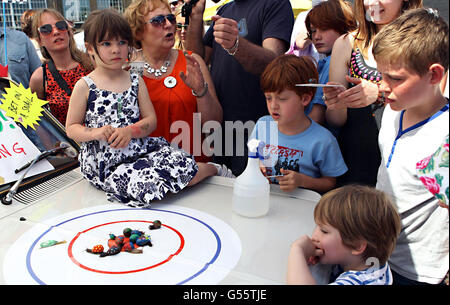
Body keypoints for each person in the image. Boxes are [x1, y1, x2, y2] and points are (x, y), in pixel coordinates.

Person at [65, 9, 219, 208]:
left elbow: (150, 121)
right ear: (90, 48)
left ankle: (215, 168)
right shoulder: (85, 85)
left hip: (139, 152)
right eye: (106, 43)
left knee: (180, 162)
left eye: (122, 42)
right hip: (105, 165)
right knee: (145, 186)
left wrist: (129, 131)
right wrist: (96, 132)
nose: (116, 49)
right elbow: (71, 128)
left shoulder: (135, 80)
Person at [373, 8, 449, 285]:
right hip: (378, 254)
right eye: (381, 75)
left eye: (394, 78)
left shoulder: (445, 135)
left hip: (418, 271)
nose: (382, 87)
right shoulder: (395, 109)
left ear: (433, 74)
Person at [185, 0, 294, 176]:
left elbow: (274, 62)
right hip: (218, 126)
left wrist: (236, 44)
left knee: (247, 192)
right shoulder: (225, 9)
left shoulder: (275, 3)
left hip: (253, 129)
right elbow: (197, 60)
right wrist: (196, 17)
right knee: (217, 192)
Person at [322, 0, 423, 187]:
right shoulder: (346, 43)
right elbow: (336, 120)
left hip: (407, 161)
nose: (373, 3)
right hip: (357, 161)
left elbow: (434, 102)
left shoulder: (423, 42)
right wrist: (337, 102)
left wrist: (379, 94)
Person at [124, 0, 225, 168]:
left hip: (195, 172)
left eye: (170, 18)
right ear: (138, 31)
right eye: (158, 21)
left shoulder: (192, 61)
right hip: (148, 175)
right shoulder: (131, 68)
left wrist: (201, 91)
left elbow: (213, 126)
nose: (169, 24)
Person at [252, 55, 347, 194]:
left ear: (305, 98)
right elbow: (252, 159)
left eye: (282, 99)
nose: (273, 106)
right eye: (268, 98)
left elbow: (330, 183)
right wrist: (257, 168)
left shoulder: (323, 140)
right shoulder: (262, 125)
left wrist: (301, 180)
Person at [287, 184, 401, 285]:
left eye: (324, 231)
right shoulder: (370, 262)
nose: (314, 235)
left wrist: (297, 251)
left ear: (357, 245)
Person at [29, 8, 93, 126]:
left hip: (103, 139)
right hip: (70, 143)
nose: (56, 32)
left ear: (68, 32)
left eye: (60, 25)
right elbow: (38, 123)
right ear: (39, 40)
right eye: (46, 29)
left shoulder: (92, 63)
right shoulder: (39, 78)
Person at [303, 0, 356, 126]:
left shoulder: (332, 62)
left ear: (344, 27)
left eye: (324, 29)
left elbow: (316, 117)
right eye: (313, 30)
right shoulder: (324, 61)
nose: (316, 36)